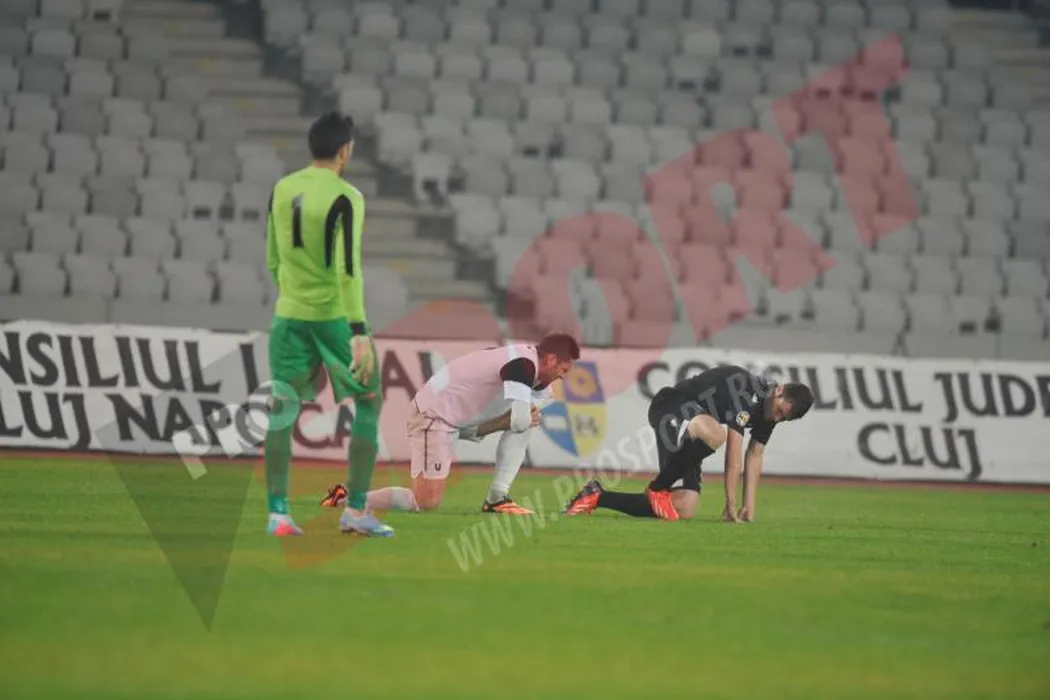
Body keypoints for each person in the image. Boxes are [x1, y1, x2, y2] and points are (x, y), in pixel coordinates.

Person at [263, 111, 393, 538]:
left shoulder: (282, 189)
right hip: (334, 318)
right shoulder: (347, 196)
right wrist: (358, 332)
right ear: (345, 150)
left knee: (282, 408)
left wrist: (294, 296)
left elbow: (272, 258)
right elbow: (348, 268)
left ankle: (278, 514)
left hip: (288, 316)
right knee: (369, 402)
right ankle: (354, 511)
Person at [321, 333, 581, 514]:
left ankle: (497, 498)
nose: (563, 376)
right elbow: (519, 419)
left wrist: (507, 422)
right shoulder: (522, 365)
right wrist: (507, 421)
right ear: (550, 360)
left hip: (460, 420)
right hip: (434, 416)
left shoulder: (537, 377)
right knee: (425, 502)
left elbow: (520, 422)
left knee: (527, 421)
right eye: (564, 369)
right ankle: (346, 499)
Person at [564, 365, 813, 522]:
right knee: (716, 434)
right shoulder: (749, 391)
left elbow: (755, 455)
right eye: (780, 411)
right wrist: (730, 503)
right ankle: (658, 487)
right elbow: (734, 454)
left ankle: (597, 496)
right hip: (671, 407)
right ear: (779, 390)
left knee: (685, 506)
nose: (776, 418)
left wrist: (749, 505)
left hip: (695, 426)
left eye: (783, 418)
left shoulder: (770, 411)